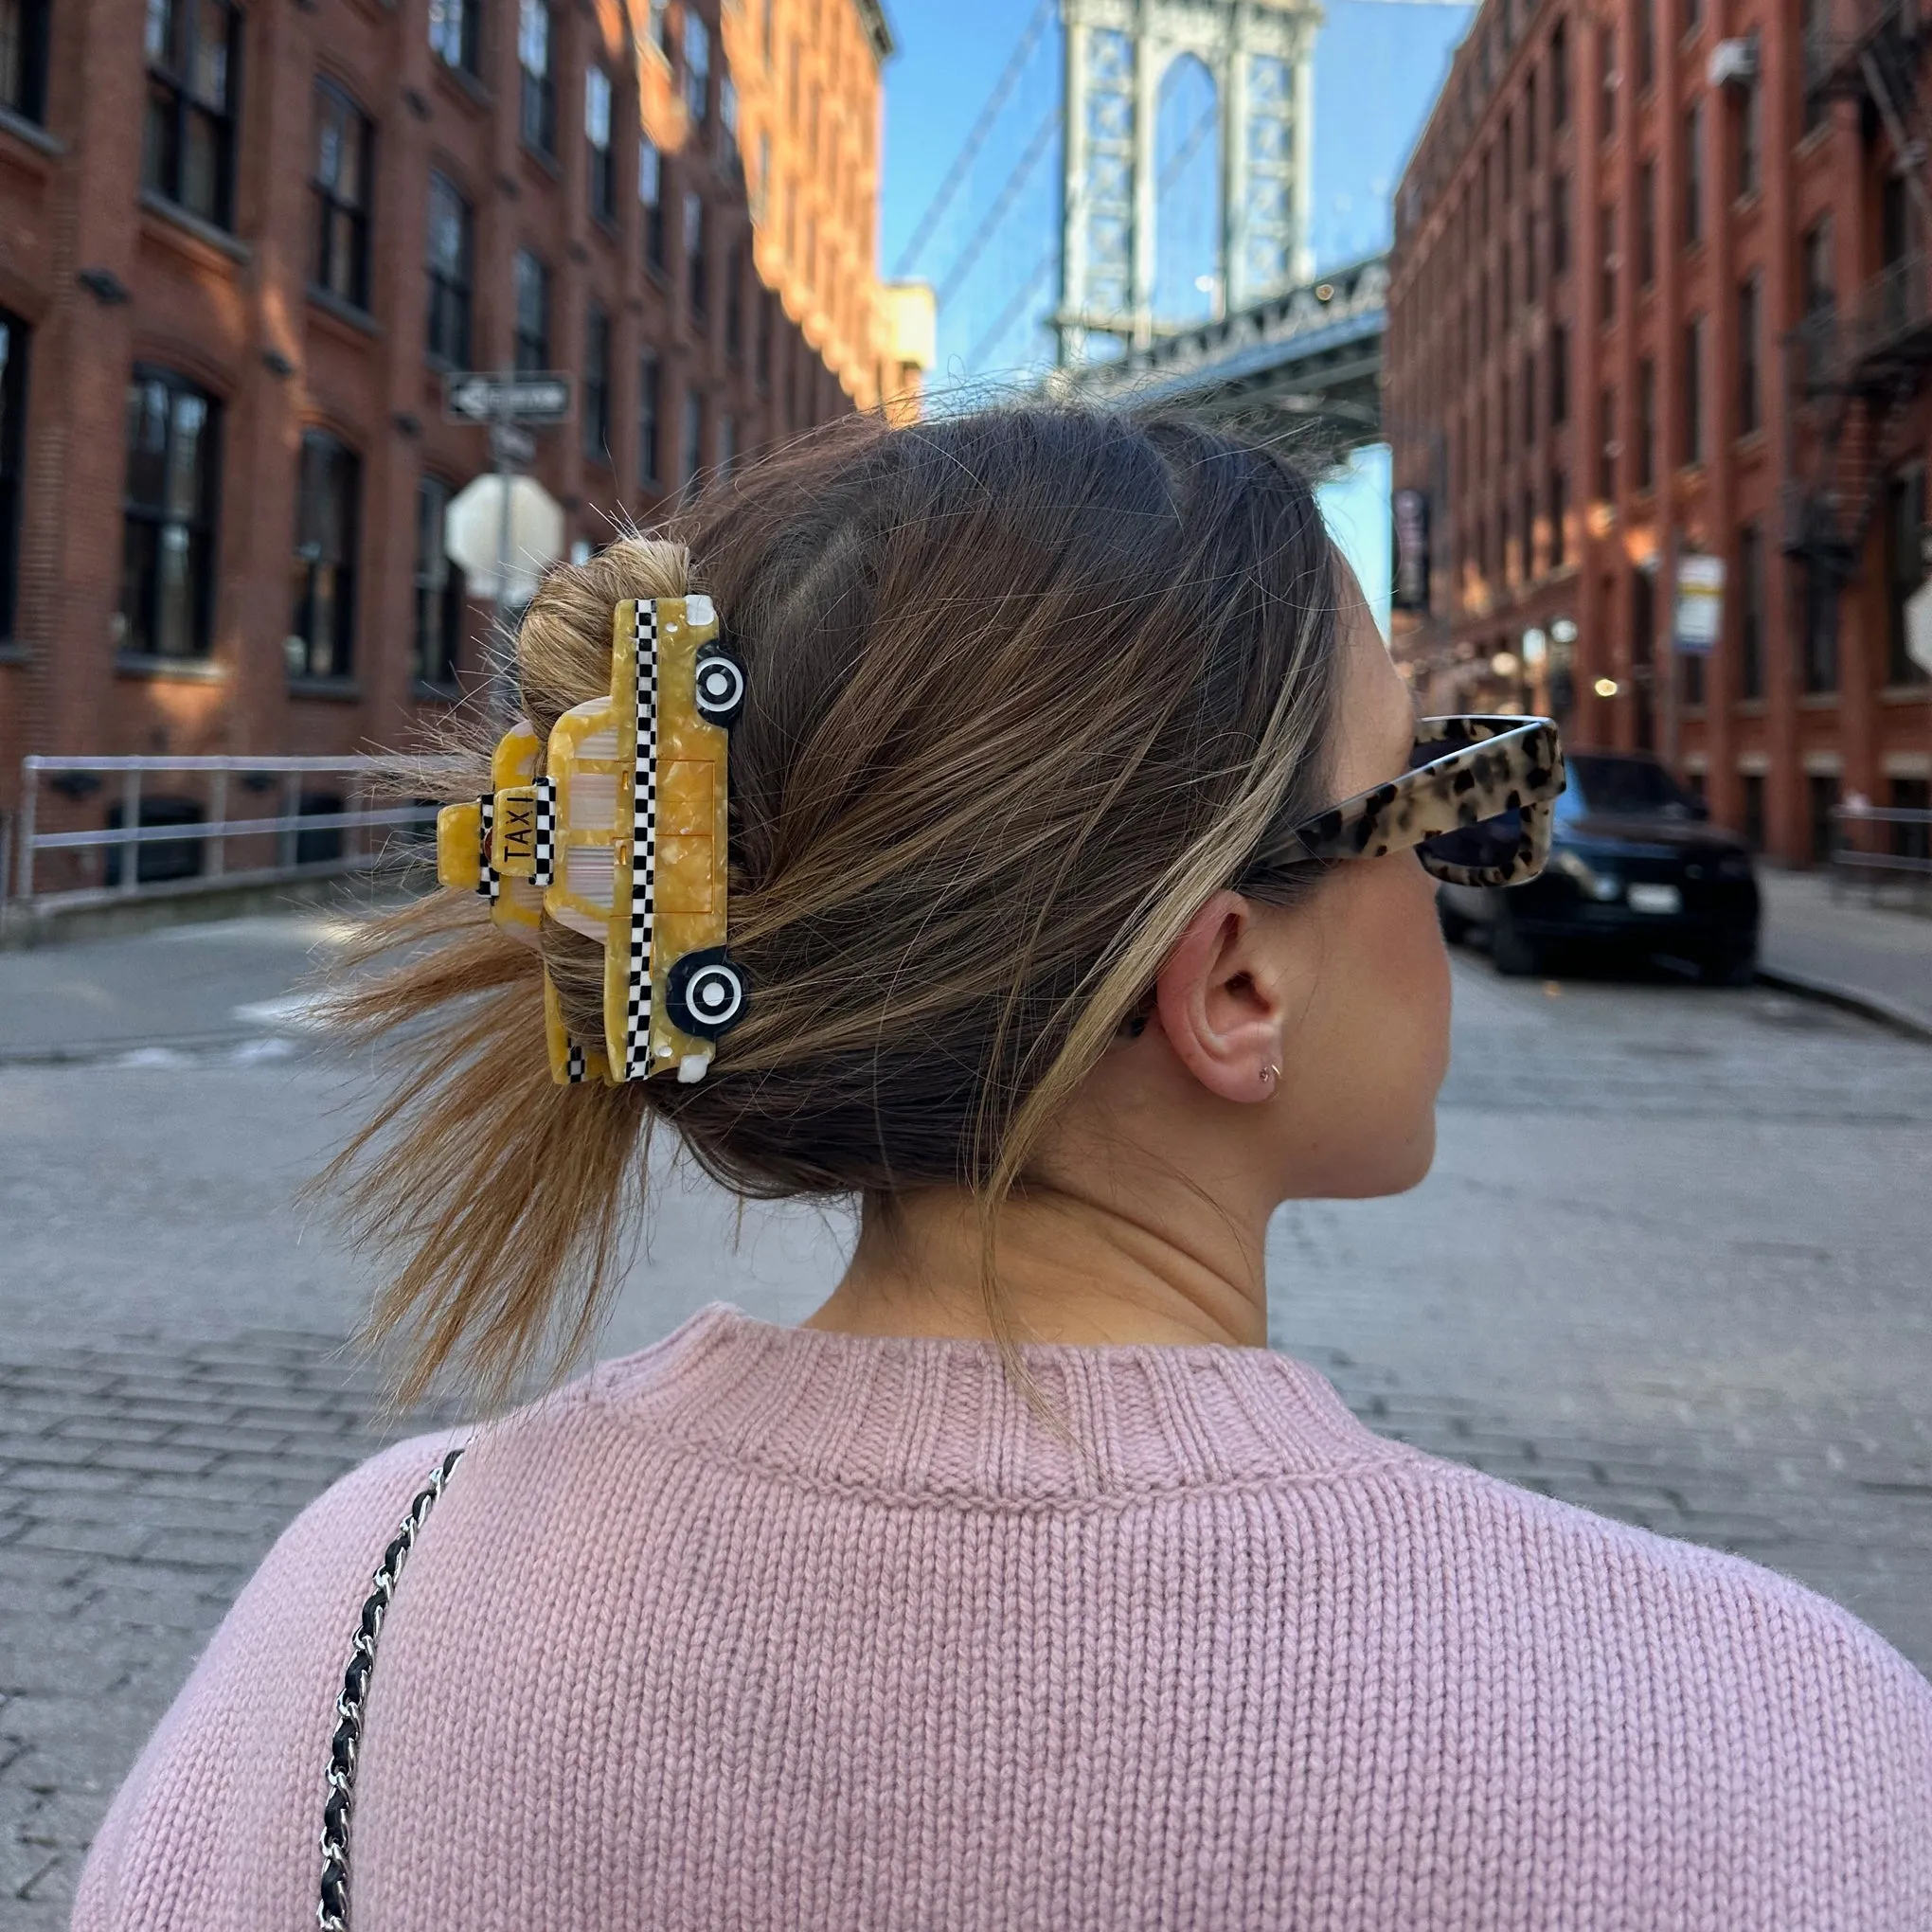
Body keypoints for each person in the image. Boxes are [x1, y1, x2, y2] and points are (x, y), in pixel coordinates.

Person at [76, 410, 1931, 1931]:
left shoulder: (361, 1606)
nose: (1481, 863)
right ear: (1234, 979)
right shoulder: (1765, 1740)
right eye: (1448, 795)